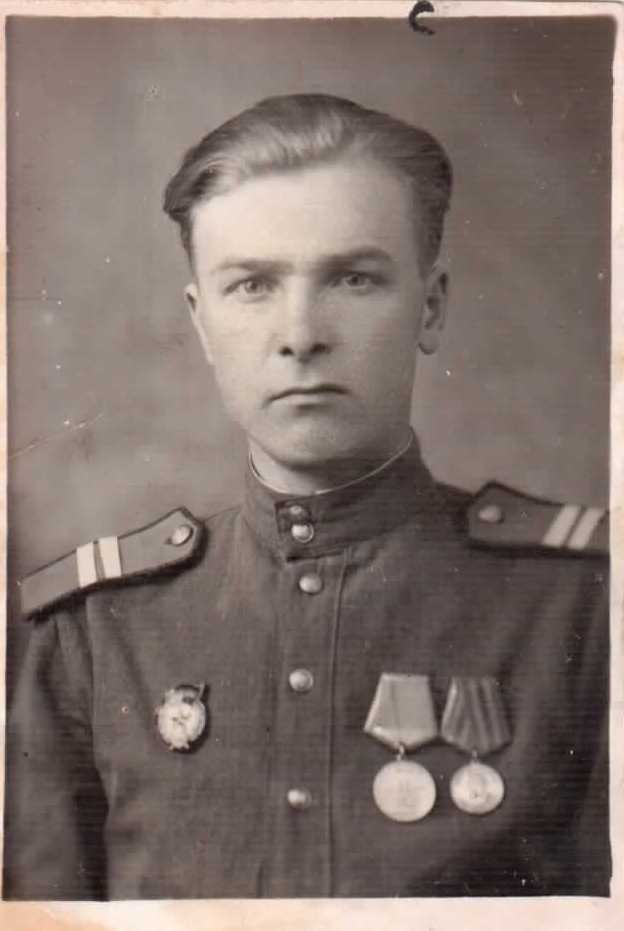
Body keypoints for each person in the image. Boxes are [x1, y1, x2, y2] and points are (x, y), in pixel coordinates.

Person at [4, 94, 610, 899]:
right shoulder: (95, 632)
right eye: (252, 285)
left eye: (353, 278)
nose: (300, 334)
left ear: (430, 307)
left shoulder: (581, 609)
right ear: (202, 324)